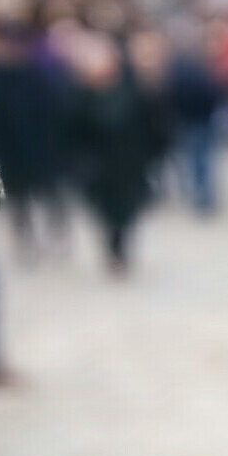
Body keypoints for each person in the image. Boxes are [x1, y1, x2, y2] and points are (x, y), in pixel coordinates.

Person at [64, 32, 168, 274]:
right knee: (105, 212)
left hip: (130, 164)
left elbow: (153, 125)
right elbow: (71, 133)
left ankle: (120, 248)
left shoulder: (134, 91)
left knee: (128, 211)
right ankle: (113, 247)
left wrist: (154, 152)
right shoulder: (81, 97)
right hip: (98, 167)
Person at [0, 14, 72, 261]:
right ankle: (26, 242)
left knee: (52, 195)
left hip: (43, 147)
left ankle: (59, 238)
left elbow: (58, 113)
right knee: (19, 201)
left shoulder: (42, 77)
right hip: (10, 151)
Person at [165, 23, 224, 216]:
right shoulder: (200, 67)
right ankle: (203, 194)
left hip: (194, 119)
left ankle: (201, 194)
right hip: (198, 119)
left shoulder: (180, 67)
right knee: (202, 159)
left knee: (196, 159)